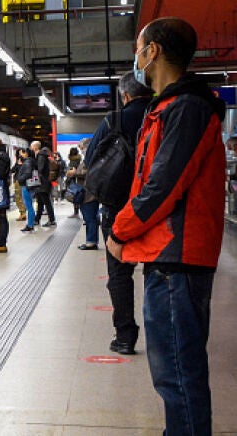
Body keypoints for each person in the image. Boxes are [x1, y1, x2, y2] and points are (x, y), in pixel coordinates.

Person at [106, 17, 226, 435]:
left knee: (177, 374)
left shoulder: (187, 108)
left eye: (139, 48)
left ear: (152, 50)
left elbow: (162, 187)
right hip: (169, 255)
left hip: (177, 257)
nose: (136, 57)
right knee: (174, 372)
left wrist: (119, 231)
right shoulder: (169, 107)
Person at [88, 72, 153, 355]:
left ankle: (125, 336)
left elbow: (92, 158)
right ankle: (160, 334)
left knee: (119, 273)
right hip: (156, 205)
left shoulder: (113, 120)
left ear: (125, 96)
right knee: (157, 269)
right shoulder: (161, 114)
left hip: (118, 206)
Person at [30, 141, 56, 227]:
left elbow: (40, 169)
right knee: (40, 202)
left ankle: (52, 220)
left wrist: (34, 168)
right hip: (42, 182)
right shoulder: (41, 155)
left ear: (35, 147)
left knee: (46, 202)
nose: (30, 148)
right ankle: (37, 220)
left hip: (42, 182)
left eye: (31, 146)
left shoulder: (40, 156)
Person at [16, 148, 37, 232]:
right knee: (30, 205)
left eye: (23, 153)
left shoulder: (28, 162)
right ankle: (31, 224)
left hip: (26, 185)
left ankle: (30, 225)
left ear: (27, 154)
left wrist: (19, 179)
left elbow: (27, 174)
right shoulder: (31, 161)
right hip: (29, 185)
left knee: (29, 206)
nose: (21, 154)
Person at [64, 145, 83, 217]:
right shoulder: (78, 160)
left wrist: (67, 180)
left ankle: (76, 213)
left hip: (74, 181)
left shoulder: (73, 161)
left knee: (75, 196)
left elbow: (71, 172)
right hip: (78, 181)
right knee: (77, 196)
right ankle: (77, 212)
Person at [10, 148, 27, 221]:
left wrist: (20, 165)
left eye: (22, 153)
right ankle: (22, 213)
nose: (21, 154)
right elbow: (12, 170)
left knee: (19, 198)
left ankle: (23, 213)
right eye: (19, 153)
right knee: (19, 198)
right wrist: (17, 164)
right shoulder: (18, 161)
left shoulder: (26, 161)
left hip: (21, 181)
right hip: (18, 181)